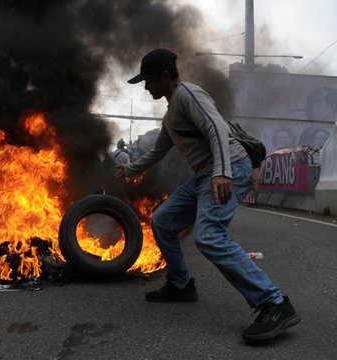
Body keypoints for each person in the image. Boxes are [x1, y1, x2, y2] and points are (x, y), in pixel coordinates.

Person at [115, 48, 300, 341]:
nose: (146, 87)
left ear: (165, 76)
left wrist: (223, 172)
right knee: (163, 219)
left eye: (148, 80)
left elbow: (216, 128)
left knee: (210, 236)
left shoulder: (189, 94)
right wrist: (129, 170)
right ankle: (180, 285)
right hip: (204, 174)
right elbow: (159, 151)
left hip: (229, 167)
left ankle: (274, 303)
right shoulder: (171, 111)